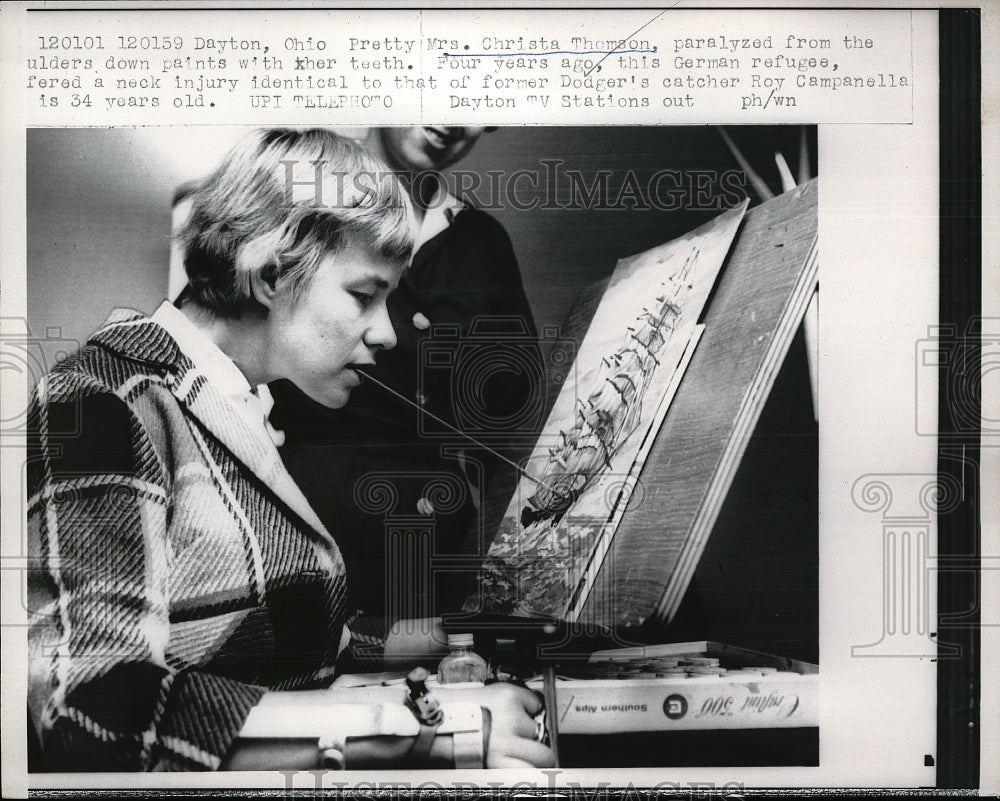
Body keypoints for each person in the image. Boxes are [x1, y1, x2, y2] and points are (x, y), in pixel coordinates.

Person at [26, 128, 553, 771]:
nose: (386, 332)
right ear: (273, 273)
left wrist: (425, 654)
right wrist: (434, 732)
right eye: (364, 295)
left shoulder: (238, 402)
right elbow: (91, 707)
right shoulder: (102, 400)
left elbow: (268, 647)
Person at [269, 127, 541, 646]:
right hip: (304, 548)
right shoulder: (295, 200)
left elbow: (513, 422)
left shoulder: (479, 244)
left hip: (434, 568)